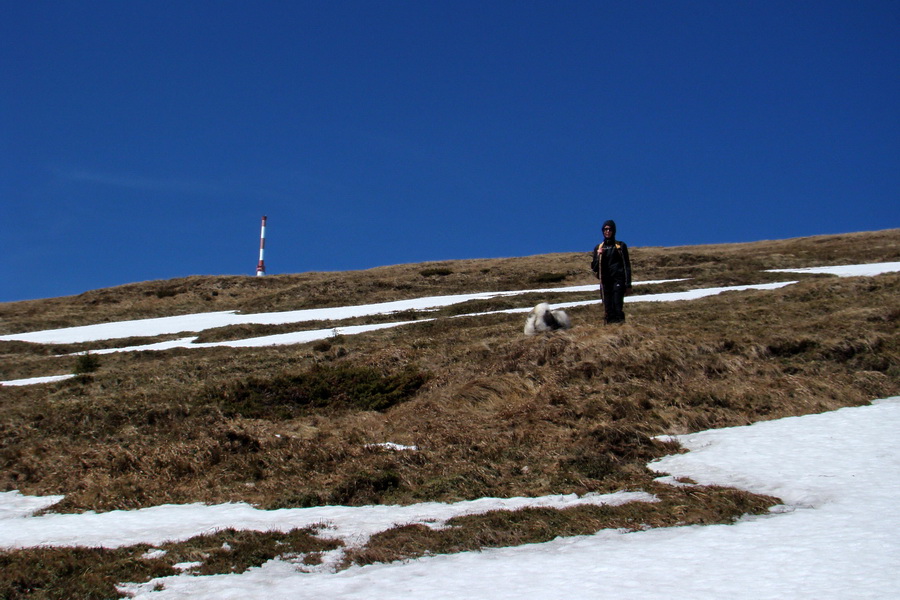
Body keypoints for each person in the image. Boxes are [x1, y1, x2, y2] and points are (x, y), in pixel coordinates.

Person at [590, 220, 632, 324]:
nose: (607, 231)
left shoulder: (620, 246)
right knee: (608, 308)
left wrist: (628, 284)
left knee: (617, 305)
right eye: (605, 229)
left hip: (618, 279)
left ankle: (620, 326)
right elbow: (595, 268)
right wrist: (598, 256)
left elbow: (626, 265)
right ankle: (609, 328)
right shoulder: (598, 247)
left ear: (614, 231)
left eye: (609, 229)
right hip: (605, 282)